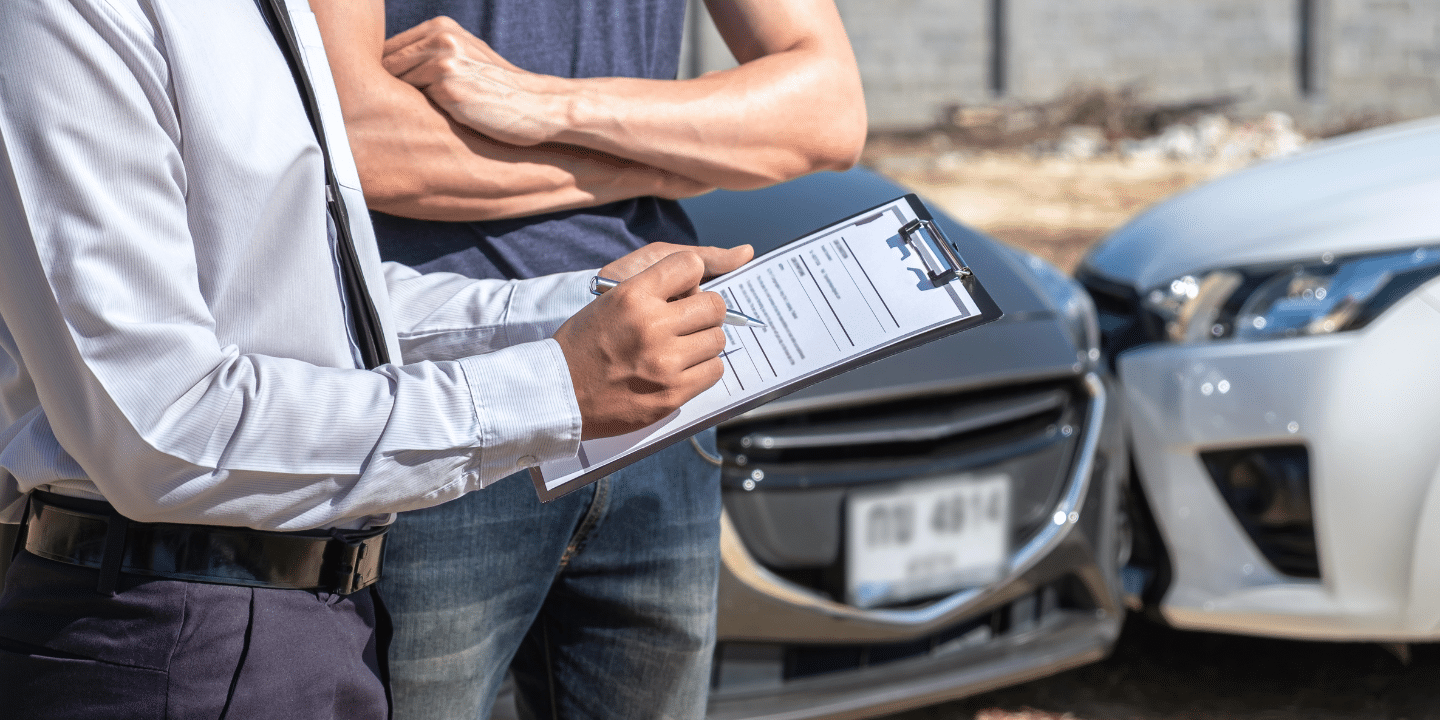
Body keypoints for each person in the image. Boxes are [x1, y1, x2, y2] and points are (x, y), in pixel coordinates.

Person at [0, 0, 751, 717]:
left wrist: (579, 310)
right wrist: (553, 387)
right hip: (163, 627)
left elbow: (326, 307)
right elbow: (162, 428)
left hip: (326, 623)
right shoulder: (63, 15)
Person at [312, 0, 866, 717]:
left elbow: (826, 112)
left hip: (666, 391)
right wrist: (660, 166)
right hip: (448, 392)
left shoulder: (547, 109)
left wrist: (545, 104)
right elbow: (360, 139)